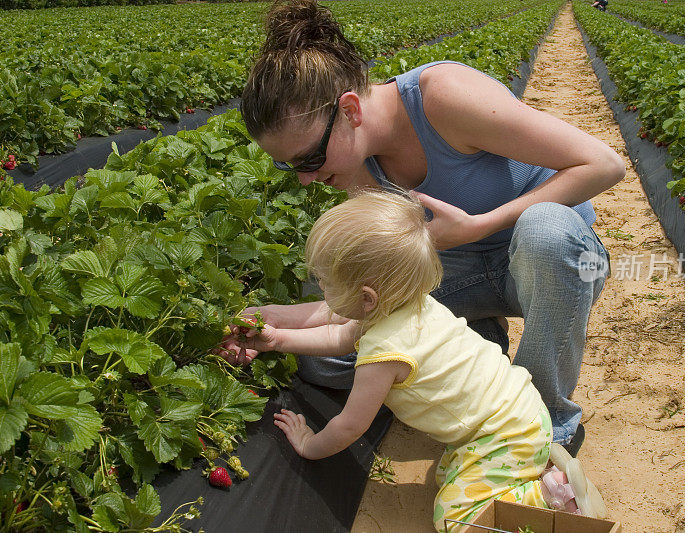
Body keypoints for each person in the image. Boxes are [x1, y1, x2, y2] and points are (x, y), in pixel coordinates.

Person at [231, 0, 625, 454]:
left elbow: (603, 164)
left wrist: (478, 226)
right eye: (288, 166)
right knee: (327, 364)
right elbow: (366, 296)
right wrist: (271, 323)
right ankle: (478, 338)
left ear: (350, 110)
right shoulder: (355, 166)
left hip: (552, 265)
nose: (304, 177)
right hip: (454, 272)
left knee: (546, 230)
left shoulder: (444, 96)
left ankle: (549, 419)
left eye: (308, 159)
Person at [222, 191, 606, 532]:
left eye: (323, 282)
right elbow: (342, 334)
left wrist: (310, 445)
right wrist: (277, 339)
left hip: (504, 435)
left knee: (455, 515)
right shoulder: (414, 303)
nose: (319, 288)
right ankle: (534, 470)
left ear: (368, 298)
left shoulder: (384, 354)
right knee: (448, 475)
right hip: (520, 410)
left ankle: (549, 499)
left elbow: (350, 425)